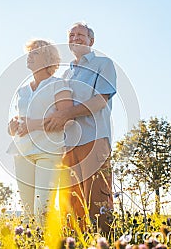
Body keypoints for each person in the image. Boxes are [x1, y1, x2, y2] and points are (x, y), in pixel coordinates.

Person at [45, 22, 117, 233]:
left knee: (98, 199)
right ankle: (76, 243)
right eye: (71, 35)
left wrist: (66, 114)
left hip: (94, 139)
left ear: (91, 41)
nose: (75, 38)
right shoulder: (66, 75)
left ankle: (106, 242)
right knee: (70, 202)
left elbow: (100, 100)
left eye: (80, 35)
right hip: (69, 144)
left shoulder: (103, 64)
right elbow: (57, 108)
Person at [7, 39, 73, 222]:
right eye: (29, 52)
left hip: (48, 152)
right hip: (22, 153)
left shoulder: (59, 84)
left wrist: (32, 125)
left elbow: (66, 118)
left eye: (35, 52)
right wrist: (11, 127)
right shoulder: (22, 91)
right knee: (28, 212)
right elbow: (18, 120)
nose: (29, 56)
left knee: (43, 210)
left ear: (48, 59)